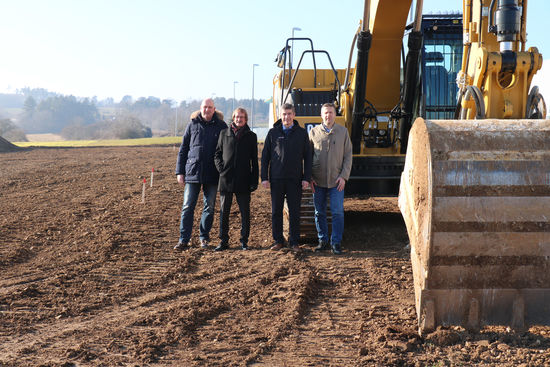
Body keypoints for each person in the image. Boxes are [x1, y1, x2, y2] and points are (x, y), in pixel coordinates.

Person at [174, 98, 227, 251]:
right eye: (205, 107)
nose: (207, 110)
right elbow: (183, 149)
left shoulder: (221, 126)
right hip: (193, 172)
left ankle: (204, 238)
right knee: (187, 206)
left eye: (210, 107)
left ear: (214, 109)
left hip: (212, 174)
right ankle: (184, 240)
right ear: (201, 108)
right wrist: (180, 172)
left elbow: (226, 150)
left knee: (209, 207)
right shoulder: (192, 125)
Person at [261, 103, 312, 252]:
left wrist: (306, 178)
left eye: (289, 114)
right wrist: (264, 177)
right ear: (280, 115)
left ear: (294, 115)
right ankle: (278, 240)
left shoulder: (302, 133)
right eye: (284, 114)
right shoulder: (273, 133)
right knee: (276, 211)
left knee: (295, 211)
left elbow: (308, 158)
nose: (287, 117)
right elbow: (265, 158)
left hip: (295, 179)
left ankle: (294, 241)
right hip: (276, 179)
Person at [309, 102, 352, 255]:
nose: (328, 115)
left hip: (336, 182)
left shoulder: (343, 132)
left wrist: (343, 177)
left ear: (335, 115)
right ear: (321, 115)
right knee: (319, 212)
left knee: (337, 212)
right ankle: (323, 240)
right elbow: (307, 158)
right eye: (325, 113)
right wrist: (309, 178)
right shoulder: (313, 133)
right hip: (318, 181)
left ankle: (336, 242)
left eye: (331, 112)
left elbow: (348, 156)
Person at [214, 107, 259, 251]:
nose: (239, 119)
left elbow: (254, 160)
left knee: (245, 213)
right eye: (237, 117)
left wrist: (254, 180)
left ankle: (244, 241)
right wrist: (222, 170)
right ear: (233, 118)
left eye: (242, 117)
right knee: (224, 212)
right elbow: (217, 155)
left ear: (246, 120)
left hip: (244, 180)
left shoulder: (251, 136)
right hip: (226, 180)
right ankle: (223, 241)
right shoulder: (224, 134)